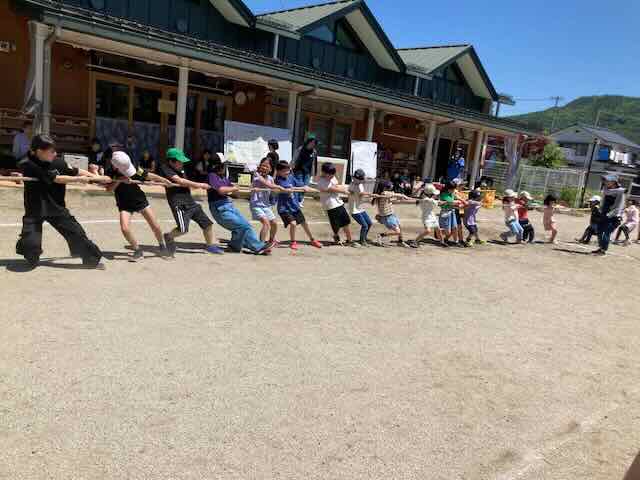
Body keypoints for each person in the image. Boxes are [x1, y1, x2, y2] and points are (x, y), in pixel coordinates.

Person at [15, 134, 104, 269]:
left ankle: (91, 258)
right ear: (39, 151)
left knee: (77, 233)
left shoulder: (57, 162)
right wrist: (79, 180)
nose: (55, 153)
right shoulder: (27, 163)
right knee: (30, 246)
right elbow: (56, 178)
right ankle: (29, 252)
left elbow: (75, 170)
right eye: (51, 151)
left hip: (56, 207)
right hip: (35, 208)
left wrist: (94, 177)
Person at [103, 149, 171, 261]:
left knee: (155, 225)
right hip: (124, 203)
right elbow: (109, 189)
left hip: (139, 199)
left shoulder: (133, 169)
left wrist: (164, 180)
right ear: (116, 167)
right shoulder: (110, 172)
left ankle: (162, 246)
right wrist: (120, 180)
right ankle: (137, 250)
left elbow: (148, 175)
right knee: (125, 228)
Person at [156, 147, 223, 256]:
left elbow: (185, 183)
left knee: (207, 224)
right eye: (179, 161)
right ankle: (168, 236)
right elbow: (179, 180)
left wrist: (193, 186)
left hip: (190, 202)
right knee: (183, 229)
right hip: (179, 204)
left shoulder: (181, 170)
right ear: (171, 161)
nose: (182, 163)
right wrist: (199, 185)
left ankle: (210, 245)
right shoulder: (165, 168)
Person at [207, 156, 274, 255]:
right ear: (216, 166)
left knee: (246, 225)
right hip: (219, 208)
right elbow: (221, 190)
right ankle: (255, 247)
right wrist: (234, 188)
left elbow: (235, 193)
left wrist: (251, 192)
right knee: (242, 226)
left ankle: (246, 245)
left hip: (228, 206)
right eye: (223, 165)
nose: (224, 167)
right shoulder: (212, 176)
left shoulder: (224, 178)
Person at [274, 160, 322, 250]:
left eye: (288, 170)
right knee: (293, 224)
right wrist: (301, 188)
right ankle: (293, 242)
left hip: (294, 206)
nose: (287, 172)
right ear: (278, 171)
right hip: (284, 208)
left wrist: (313, 189)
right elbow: (288, 188)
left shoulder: (291, 177)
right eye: (284, 171)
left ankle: (312, 239)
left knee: (304, 223)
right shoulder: (277, 180)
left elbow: (302, 185)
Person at [316, 162, 355, 246]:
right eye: (330, 174)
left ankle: (349, 240)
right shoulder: (321, 181)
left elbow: (337, 185)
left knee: (346, 221)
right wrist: (345, 191)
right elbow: (332, 189)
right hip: (330, 205)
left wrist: (347, 188)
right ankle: (336, 237)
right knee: (335, 224)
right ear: (324, 172)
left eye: (333, 174)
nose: (332, 176)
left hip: (338, 202)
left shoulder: (333, 177)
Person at [251, 157, 284, 244]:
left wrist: (278, 191)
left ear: (270, 169)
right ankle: (261, 245)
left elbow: (273, 191)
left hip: (266, 205)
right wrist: (278, 187)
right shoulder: (256, 175)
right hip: (256, 205)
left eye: (266, 166)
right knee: (266, 223)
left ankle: (271, 240)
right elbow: (267, 184)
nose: (264, 168)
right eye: (263, 166)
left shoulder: (270, 178)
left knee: (274, 223)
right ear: (259, 166)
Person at [594, 174, 626, 256]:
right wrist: (600, 210)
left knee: (606, 233)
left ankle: (603, 250)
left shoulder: (620, 192)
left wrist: (609, 215)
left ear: (614, 182)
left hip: (614, 217)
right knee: (599, 231)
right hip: (604, 214)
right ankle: (601, 248)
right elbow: (603, 202)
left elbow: (619, 207)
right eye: (605, 180)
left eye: (608, 180)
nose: (605, 182)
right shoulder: (606, 189)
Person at [372, 181, 410, 247]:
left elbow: (391, 201)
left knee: (400, 227)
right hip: (387, 217)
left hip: (391, 215)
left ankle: (400, 241)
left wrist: (400, 199)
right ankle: (381, 235)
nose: (392, 186)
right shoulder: (384, 193)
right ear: (385, 188)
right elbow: (395, 194)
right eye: (390, 186)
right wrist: (403, 195)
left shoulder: (384, 195)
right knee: (397, 231)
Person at [412, 183, 445, 248]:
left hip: (432, 215)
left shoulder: (427, 198)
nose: (435, 195)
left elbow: (436, 201)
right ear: (429, 193)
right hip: (426, 217)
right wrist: (445, 202)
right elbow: (438, 203)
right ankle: (415, 241)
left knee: (438, 229)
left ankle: (442, 242)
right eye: (433, 194)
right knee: (428, 231)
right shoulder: (427, 199)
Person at [348, 169, 374, 247]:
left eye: (359, 179)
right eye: (356, 178)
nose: (357, 180)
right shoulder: (352, 185)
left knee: (369, 223)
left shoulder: (360, 184)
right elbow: (361, 193)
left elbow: (361, 194)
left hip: (360, 208)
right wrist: (372, 195)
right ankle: (362, 241)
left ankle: (364, 238)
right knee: (365, 225)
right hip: (354, 210)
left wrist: (371, 195)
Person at [291, 136, 318, 205]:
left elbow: (314, 163)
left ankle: (300, 199)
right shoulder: (301, 149)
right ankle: (297, 199)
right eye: (311, 142)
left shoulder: (314, 152)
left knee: (305, 186)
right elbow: (294, 158)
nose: (312, 144)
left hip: (308, 171)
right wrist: (291, 166)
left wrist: (314, 172)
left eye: (314, 143)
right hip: (298, 170)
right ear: (308, 142)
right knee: (300, 184)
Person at [438, 181, 462, 246]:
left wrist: (460, 201)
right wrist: (458, 202)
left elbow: (455, 200)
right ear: (448, 188)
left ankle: (456, 242)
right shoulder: (443, 194)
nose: (454, 190)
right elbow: (451, 202)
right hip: (445, 213)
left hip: (452, 212)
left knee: (455, 227)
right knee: (448, 232)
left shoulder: (452, 193)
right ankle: (438, 231)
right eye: (453, 189)